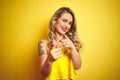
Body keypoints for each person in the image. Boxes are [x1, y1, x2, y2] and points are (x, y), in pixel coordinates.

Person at [38, 7, 83, 80]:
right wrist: (49, 60)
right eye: (64, 21)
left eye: (70, 23)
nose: (67, 26)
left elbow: (77, 66)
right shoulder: (42, 44)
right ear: (55, 20)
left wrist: (72, 48)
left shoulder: (72, 42)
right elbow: (44, 74)